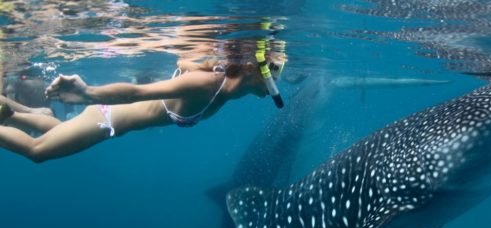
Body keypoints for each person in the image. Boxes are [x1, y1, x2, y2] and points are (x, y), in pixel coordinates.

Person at [0, 52, 286, 163]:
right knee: (36, 152)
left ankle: (21, 113)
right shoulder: (209, 85)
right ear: (254, 69)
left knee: (58, 131)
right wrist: (88, 93)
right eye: (277, 70)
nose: (279, 79)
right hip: (107, 116)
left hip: (111, 124)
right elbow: (138, 92)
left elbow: (182, 62)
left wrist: (194, 64)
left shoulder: (227, 87)